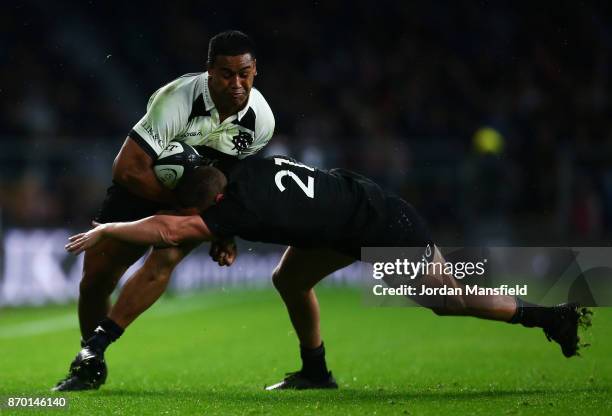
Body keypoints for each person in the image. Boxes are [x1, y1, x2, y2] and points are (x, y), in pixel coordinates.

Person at [64, 155, 592, 390]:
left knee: (446, 300)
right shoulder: (243, 170)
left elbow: (169, 230)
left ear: (212, 200)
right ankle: (316, 372)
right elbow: (200, 219)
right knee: (288, 279)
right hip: (348, 215)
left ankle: (549, 317)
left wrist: (109, 230)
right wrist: (216, 230)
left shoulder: (232, 209)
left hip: (381, 223)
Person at [53, 30, 275, 391]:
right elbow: (127, 169)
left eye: (244, 73)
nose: (237, 83)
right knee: (96, 280)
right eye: (226, 74)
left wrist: (224, 231)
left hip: (193, 199)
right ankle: (90, 360)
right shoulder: (176, 100)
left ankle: (93, 353)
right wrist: (172, 210)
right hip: (142, 187)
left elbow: (231, 182)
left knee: (165, 258)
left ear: (255, 71)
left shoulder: (261, 122)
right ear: (209, 71)